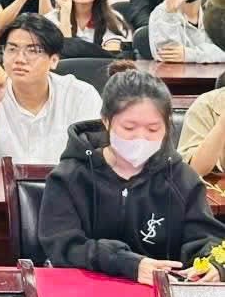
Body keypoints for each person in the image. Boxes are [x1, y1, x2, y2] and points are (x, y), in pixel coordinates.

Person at [39, 66, 225, 284]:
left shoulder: (181, 178)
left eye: (153, 129)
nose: (141, 138)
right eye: (129, 128)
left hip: (162, 293)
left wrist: (214, 264)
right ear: (106, 121)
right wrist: (126, 263)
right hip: (86, 289)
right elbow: (63, 245)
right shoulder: (69, 177)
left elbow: (207, 238)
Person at [0, 14, 101, 170]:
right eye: (12, 49)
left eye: (33, 51)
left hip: (64, 185)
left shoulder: (80, 95)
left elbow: (97, 161)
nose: (19, 59)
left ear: (53, 60)